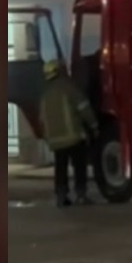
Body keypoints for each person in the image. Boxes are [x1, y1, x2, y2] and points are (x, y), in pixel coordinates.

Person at [38, 60, 99, 208]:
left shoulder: (45, 95)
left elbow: (42, 120)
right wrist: (94, 126)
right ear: (59, 71)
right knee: (79, 166)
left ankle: (61, 195)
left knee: (61, 168)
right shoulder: (68, 88)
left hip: (56, 141)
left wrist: (48, 139)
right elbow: (84, 108)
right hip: (74, 137)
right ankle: (81, 195)